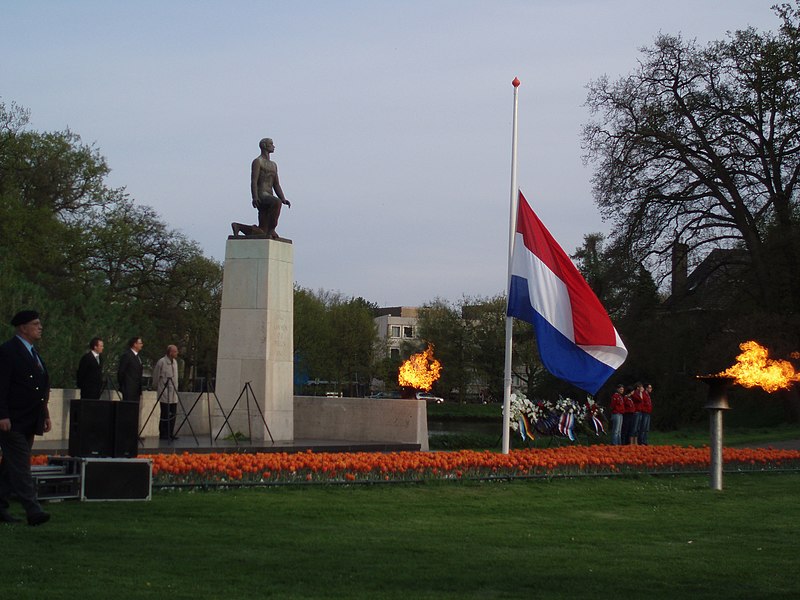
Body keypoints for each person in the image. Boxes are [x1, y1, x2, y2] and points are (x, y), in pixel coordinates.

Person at [0, 310, 52, 526]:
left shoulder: (33, 353)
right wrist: (2, 414)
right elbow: (1, 386)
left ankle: (0, 506)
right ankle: (33, 509)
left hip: (30, 419)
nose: (40, 327)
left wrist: (45, 414)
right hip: (13, 420)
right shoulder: (8, 351)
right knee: (21, 465)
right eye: (35, 324)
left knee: (10, 467)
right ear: (22, 327)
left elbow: (39, 388)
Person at [251, 137, 291, 239]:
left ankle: (238, 226)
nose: (274, 146)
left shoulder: (273, 165)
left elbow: (276, 184)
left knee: (262, 230)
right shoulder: (257, 161)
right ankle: (272, 229)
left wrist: (283, 198)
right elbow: (254, 181)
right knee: (276, 202)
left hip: (270, 194)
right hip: (262, 194)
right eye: (271, 144)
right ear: (265, 146)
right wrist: (255, 197)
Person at [151, 345, 180, 441]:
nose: (177, 353)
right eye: (175, 351)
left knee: (173, 414)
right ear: (170, 352)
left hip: (174, 393)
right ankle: (163, 433)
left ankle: (170, 433)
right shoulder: (161, 362)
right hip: (164, 392)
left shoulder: (175, 362)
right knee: (165, 413)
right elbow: (156, 376)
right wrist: (155, 387)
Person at [117, 337, 144, 404]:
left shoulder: (137, 357)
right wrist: (123, 386)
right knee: (127, 409)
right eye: (140, 343)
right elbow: (121, 372)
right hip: (128, 389)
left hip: (136, 389)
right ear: (135, 344)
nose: (142, 345)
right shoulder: (127, 355)